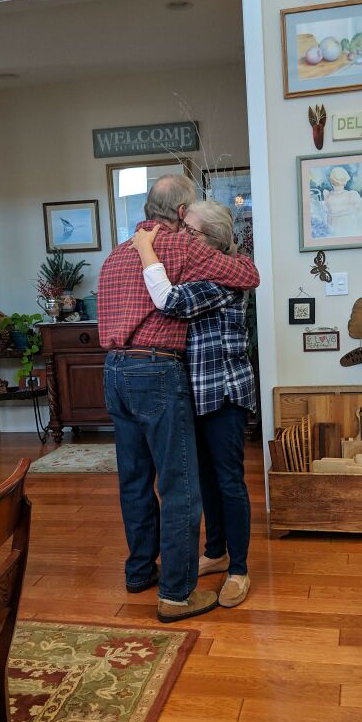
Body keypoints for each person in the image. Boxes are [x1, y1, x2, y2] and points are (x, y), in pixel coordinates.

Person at [98, 175, 259, 623]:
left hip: (113, 371)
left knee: (134, 480)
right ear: (183, 210)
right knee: (180, 485)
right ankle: (175, 593)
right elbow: (249, 272)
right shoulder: (183, 248)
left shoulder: (116, 253)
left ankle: (139, 572)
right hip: (156, 370)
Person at [131, 200, 254, 608]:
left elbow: (169, 301)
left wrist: (146, 250)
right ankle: (216, 551)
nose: (182, 236)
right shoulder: (204, 271)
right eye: (182, 228)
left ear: (211, 240)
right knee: (204, 480)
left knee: (229, 482)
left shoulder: (223, 279)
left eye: (191, 231)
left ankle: (239, 569)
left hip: (223, 392)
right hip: (193, 394)